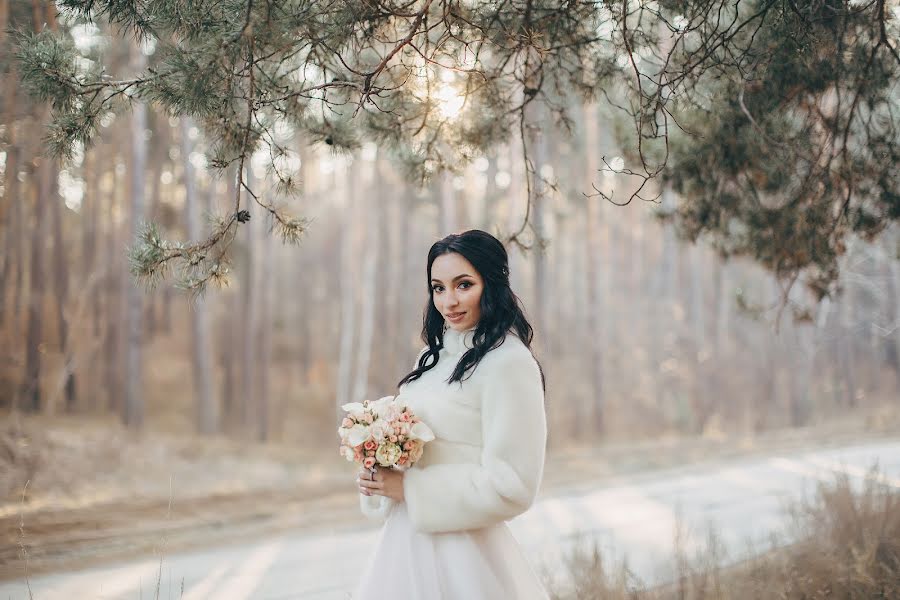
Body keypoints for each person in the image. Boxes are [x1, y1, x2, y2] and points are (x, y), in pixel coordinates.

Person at [351, 229, 549, 599]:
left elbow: (514, 485)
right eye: (438, 287)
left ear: (491, 284)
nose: (449, 301)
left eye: (463, 285)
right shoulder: (431, 360)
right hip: (403, 546)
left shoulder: (509, 363)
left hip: (464, 557)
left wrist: (411, 488)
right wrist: (382, 468)